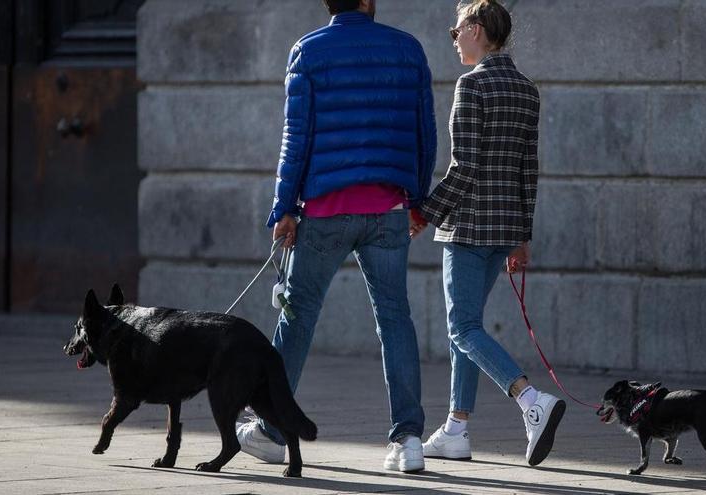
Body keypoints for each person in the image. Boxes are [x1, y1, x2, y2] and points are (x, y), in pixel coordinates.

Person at [235, 0, 436, 473]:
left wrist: (284, 207)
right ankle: (408, 440)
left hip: (324, 210)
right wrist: (417, 199)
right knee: (395, 320)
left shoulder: (308, 51)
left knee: (297, 317)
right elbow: (423, 131)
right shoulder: (407, 50)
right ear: (367, 2)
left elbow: (296, 137)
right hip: (387, 208)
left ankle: (271, 430)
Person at [413, 0, 565, 467]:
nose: (454, 38)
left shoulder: (472, 84)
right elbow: (528, 170)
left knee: (461, 328)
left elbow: (464, 167)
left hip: (469, 225)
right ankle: (456, 429)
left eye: (456, 30)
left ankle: (529, 399)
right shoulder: (526, 88)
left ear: (477, 30)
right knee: (471, 328)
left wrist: (424, 213)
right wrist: (522, 237)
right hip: (504, 230)